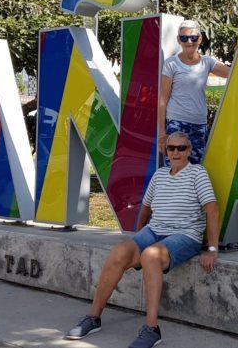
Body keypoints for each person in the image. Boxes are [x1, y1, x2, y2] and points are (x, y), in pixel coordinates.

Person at [67, 132, 220, 346]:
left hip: (184, 235)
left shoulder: (197, 173)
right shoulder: (159, 175)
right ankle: (93, 317)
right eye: (171, 148)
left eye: (181, 148)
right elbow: (146, 208)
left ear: (189, 151)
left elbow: (212, 210)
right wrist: (137, 238)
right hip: (155, 230)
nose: (176, 152)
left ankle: (151, 329)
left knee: (150, 255)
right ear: (166, 151)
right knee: (120, 251)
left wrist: (212, 248)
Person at [158, 20, 230, 165]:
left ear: (200, 39)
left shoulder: (207, 62)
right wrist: (161, 133)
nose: (189, 41)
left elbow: (233, 72)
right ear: (179, 40)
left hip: (199, 124)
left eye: (193, 37)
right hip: (176, 123)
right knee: (175, 169)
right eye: (184, 38)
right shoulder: (171, 63)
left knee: (196, 170)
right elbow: (163, 99)